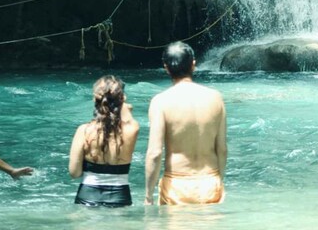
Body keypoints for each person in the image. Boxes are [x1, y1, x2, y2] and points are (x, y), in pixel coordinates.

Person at [144, 41, 227, 205]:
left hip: (176, 186)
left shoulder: (161, 102)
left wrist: (148, 195)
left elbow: (154, 153)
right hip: (210, 182)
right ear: (194, 65)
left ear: (166, 67)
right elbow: (222, 149)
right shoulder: (215, 98)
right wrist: (219, 180)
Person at [69, 75, 139, 207]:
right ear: (122, 99)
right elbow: (128, 117)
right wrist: (122, 102)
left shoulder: (83, 131)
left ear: (96, 99)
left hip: (87, 196)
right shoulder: (132, 129)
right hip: (120, 197)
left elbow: (74, 173)